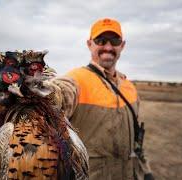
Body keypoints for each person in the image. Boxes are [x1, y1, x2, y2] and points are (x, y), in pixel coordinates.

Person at [50, 17, 154, 180]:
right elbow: (58, 94)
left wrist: (146, 171)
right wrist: (35, 92)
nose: (108, 47)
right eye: (101, 40)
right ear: (89, 44)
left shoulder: (129, 87)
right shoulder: (76, 79)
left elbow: (137, 142)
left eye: (114, 40)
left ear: (122, 45)